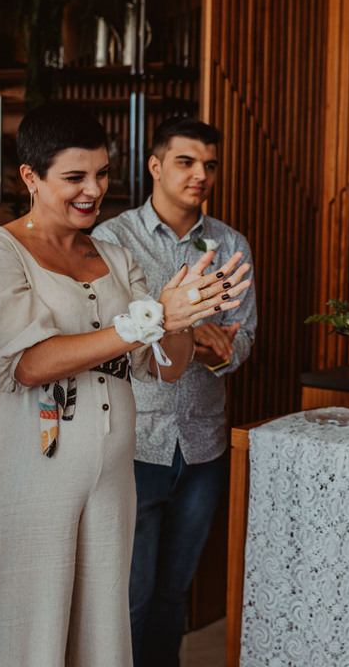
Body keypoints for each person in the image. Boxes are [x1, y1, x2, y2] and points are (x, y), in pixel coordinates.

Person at [0, 102, 252, 666]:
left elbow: (163, 367)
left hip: (111, 476)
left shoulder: (115, 256)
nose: (93, 190)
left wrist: (182, 318)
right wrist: (148, 319)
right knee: (19, 637)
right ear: (31, 176)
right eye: (75, 177)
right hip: (23, 467)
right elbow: (30, 363)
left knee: (99, 638)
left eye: (103, 174)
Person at [93, 116, 257, 666]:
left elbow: (242, 338)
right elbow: (107, 337)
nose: (200, 175)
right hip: (135, 442)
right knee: (131, 596)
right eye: (186, 162)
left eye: (210, 164)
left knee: (173, 594)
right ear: (155, 165)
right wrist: (179, 327)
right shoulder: (113, 239)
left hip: (204, 446)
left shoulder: (230, 243)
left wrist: (213, 347)